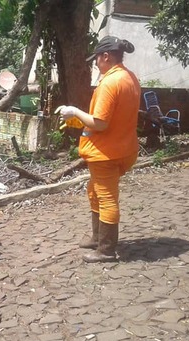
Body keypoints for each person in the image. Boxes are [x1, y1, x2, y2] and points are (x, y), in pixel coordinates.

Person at [58, 35, 140, 263]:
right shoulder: (129, 77)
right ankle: (98, 237)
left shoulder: (110, 82)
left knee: (106, 198)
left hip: (107, 153)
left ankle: (106, 250)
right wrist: (82, 120)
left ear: (106, 56)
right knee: (94, 191)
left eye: (97, 59)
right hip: (123, 148)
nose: (95, 63)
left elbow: (101, 123)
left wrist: (74, 111)